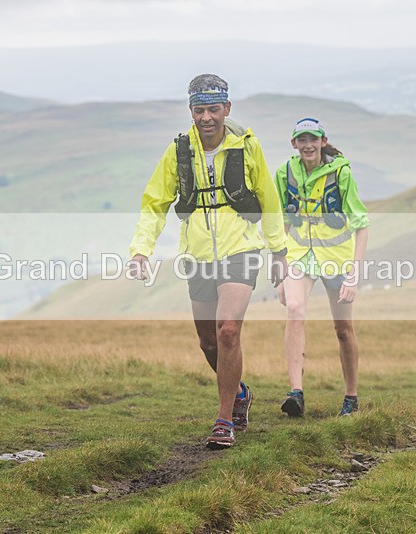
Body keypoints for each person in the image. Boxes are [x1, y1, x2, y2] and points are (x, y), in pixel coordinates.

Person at [128, 74, 288, 449]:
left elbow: (269, 198)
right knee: (209, 343)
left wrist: (279, 251)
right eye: (199, 110)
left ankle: (224, 420)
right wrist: (141, 249)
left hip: (241, 249)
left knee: (228, 330)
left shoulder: (247, 147)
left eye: (213, 109)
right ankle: (241, 393)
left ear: (226, 108)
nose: (206, 118)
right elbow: (154, 203)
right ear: (190, 110)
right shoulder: (178, 151)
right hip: (198, 254)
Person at [274, 118, 370, 418]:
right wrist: (280, 270)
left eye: (313, 139)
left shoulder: (341, 172)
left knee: (343, 330)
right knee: (294, 309)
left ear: (323, 141)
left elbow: (361, 224)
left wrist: (353, 275)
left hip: (336, 258)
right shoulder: (284, 173)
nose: (307, 145)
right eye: (302, 140)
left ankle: (351, 397)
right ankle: (296, 393)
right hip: (299, 255)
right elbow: (283, 222)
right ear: (294, 143)